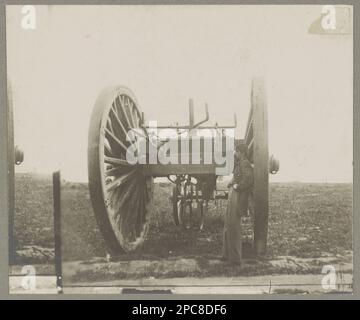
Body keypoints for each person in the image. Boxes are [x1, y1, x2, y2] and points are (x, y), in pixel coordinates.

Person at [222, 143, 254, 265]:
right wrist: (232, 182)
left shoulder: (244, 163)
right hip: (234, 194)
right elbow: (239, 177)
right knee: (228, 225)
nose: (235, 153)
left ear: (241, 152)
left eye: (237, 152)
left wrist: (237, 186)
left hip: (237, 195)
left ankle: (235, 259)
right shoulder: (240, 164)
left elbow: (249, 179)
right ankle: (227, 255)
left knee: (233, 226)